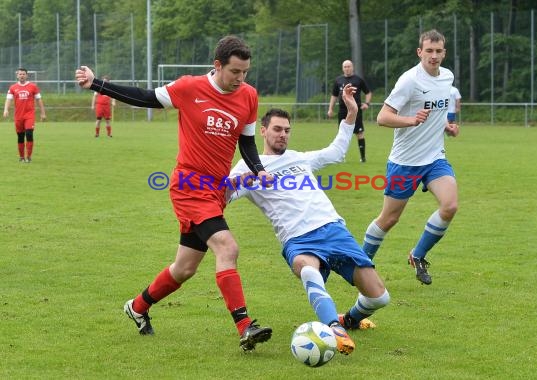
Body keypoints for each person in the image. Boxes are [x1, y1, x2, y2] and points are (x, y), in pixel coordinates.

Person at [75, 35, 274, 352]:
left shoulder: (248, 96)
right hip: (189, 185)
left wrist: (259, 169)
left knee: (185, 268)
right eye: (235, 71)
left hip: (216, 190)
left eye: (246, 72)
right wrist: (96, 84)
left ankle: (137, 306)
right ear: (218, 65)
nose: (241, 78)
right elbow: (143, 97)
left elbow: (247, 143)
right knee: (227, 246)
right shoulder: (189, 88)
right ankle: (245, 326)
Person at [228, 84, 390, 356]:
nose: (283, 135)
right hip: (298, 238)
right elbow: (223, 195)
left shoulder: (299, 159)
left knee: (379, 297)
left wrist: (350, 114)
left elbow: (336, 152)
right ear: (263, 130)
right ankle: (331, 328)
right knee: (307, 269)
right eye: (277, 129)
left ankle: (347, 320)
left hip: (333, 229)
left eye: (287, 130)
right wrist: (248, 178)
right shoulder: (248, 165)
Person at [361, 29, 459, 285]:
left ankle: (418, 255)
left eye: (438, 51)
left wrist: (446, 126)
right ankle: (360, 262)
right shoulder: (410, 80)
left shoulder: (447, 77)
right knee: (389, 218)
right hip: (405, 162)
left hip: (435, 158)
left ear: (444, 52)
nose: (434, 56)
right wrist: (410, 120)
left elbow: (438, 109)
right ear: (420, 52)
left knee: (449, 206)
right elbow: (382, 117)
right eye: (429, 51)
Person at [327, 60, 372, 163]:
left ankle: (363, 158)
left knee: (359, 133)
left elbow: (368, 93)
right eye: (345, 67)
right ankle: (341, 158)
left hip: (356, 111)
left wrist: (367, 103)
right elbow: (334, 96)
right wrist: (330, 109)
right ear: (342, 68)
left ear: (352, 67)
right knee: (342, 134)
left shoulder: (358, 80)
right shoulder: (338, 80)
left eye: (349, 66)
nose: (347, 68)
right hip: (343, 111)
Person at [3, 68, 47, 163]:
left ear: (26, 75)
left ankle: (29, 157)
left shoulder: (33, 87)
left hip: (29, 115)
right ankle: (21, 157)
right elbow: (8, 99)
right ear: (17, 76)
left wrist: (43, 113)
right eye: (20, 74)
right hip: (18, 116)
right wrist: (6, 109)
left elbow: (39, 100)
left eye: (23, 74)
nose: (22, 75)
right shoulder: (13, 87)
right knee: (20, 136)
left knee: (29, 134)